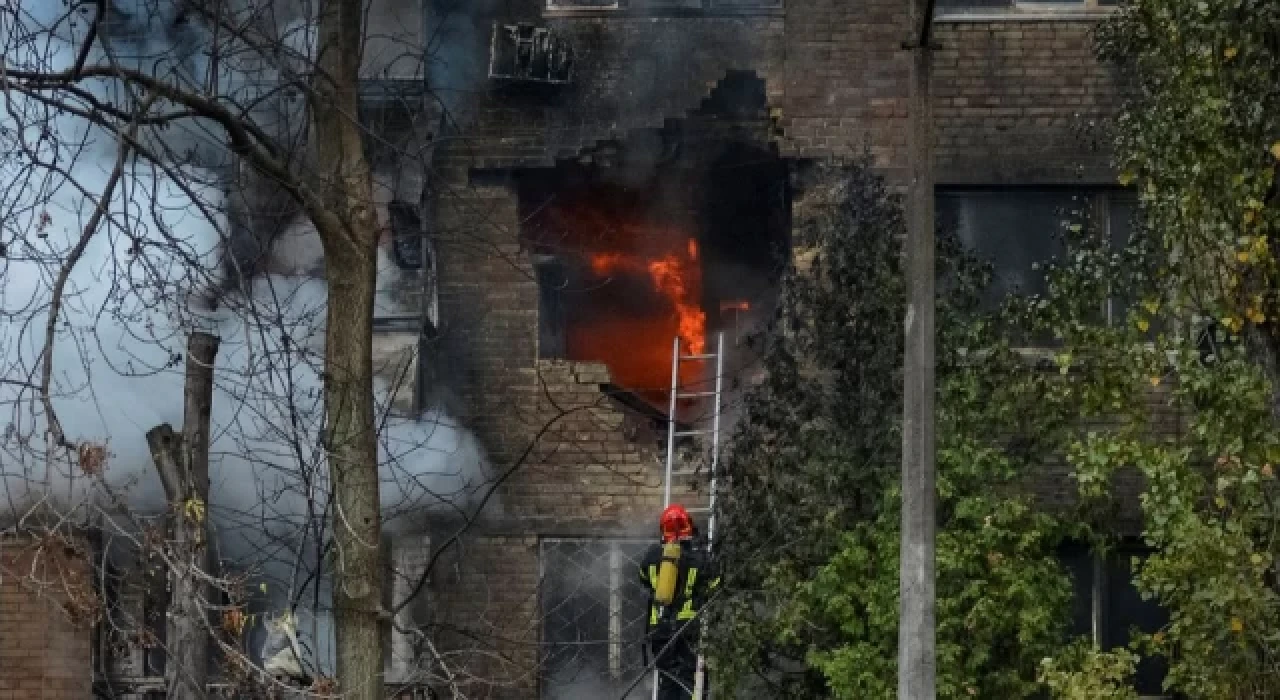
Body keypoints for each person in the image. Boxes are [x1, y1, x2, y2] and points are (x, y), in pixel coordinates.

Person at [639, 504, 719, 700]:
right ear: (688, 527)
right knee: (690, 681)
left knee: (667, 680)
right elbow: (715, 586)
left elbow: (643, 578)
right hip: (689, 629)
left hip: (660, 631)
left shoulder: (652, 556)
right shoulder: (700, 557)